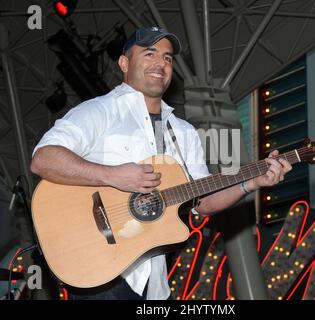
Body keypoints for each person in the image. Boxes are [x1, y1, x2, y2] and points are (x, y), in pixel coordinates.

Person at [30, 27, 292, 300]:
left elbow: (202, 202)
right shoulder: (99, 111)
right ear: (124, 63)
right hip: (100, 271)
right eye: (149, 53)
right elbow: (44, 159)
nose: (161, 63)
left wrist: (250, 183)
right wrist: (112, 176)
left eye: (167, 58)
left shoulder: (183, 132)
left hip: (153, 285)